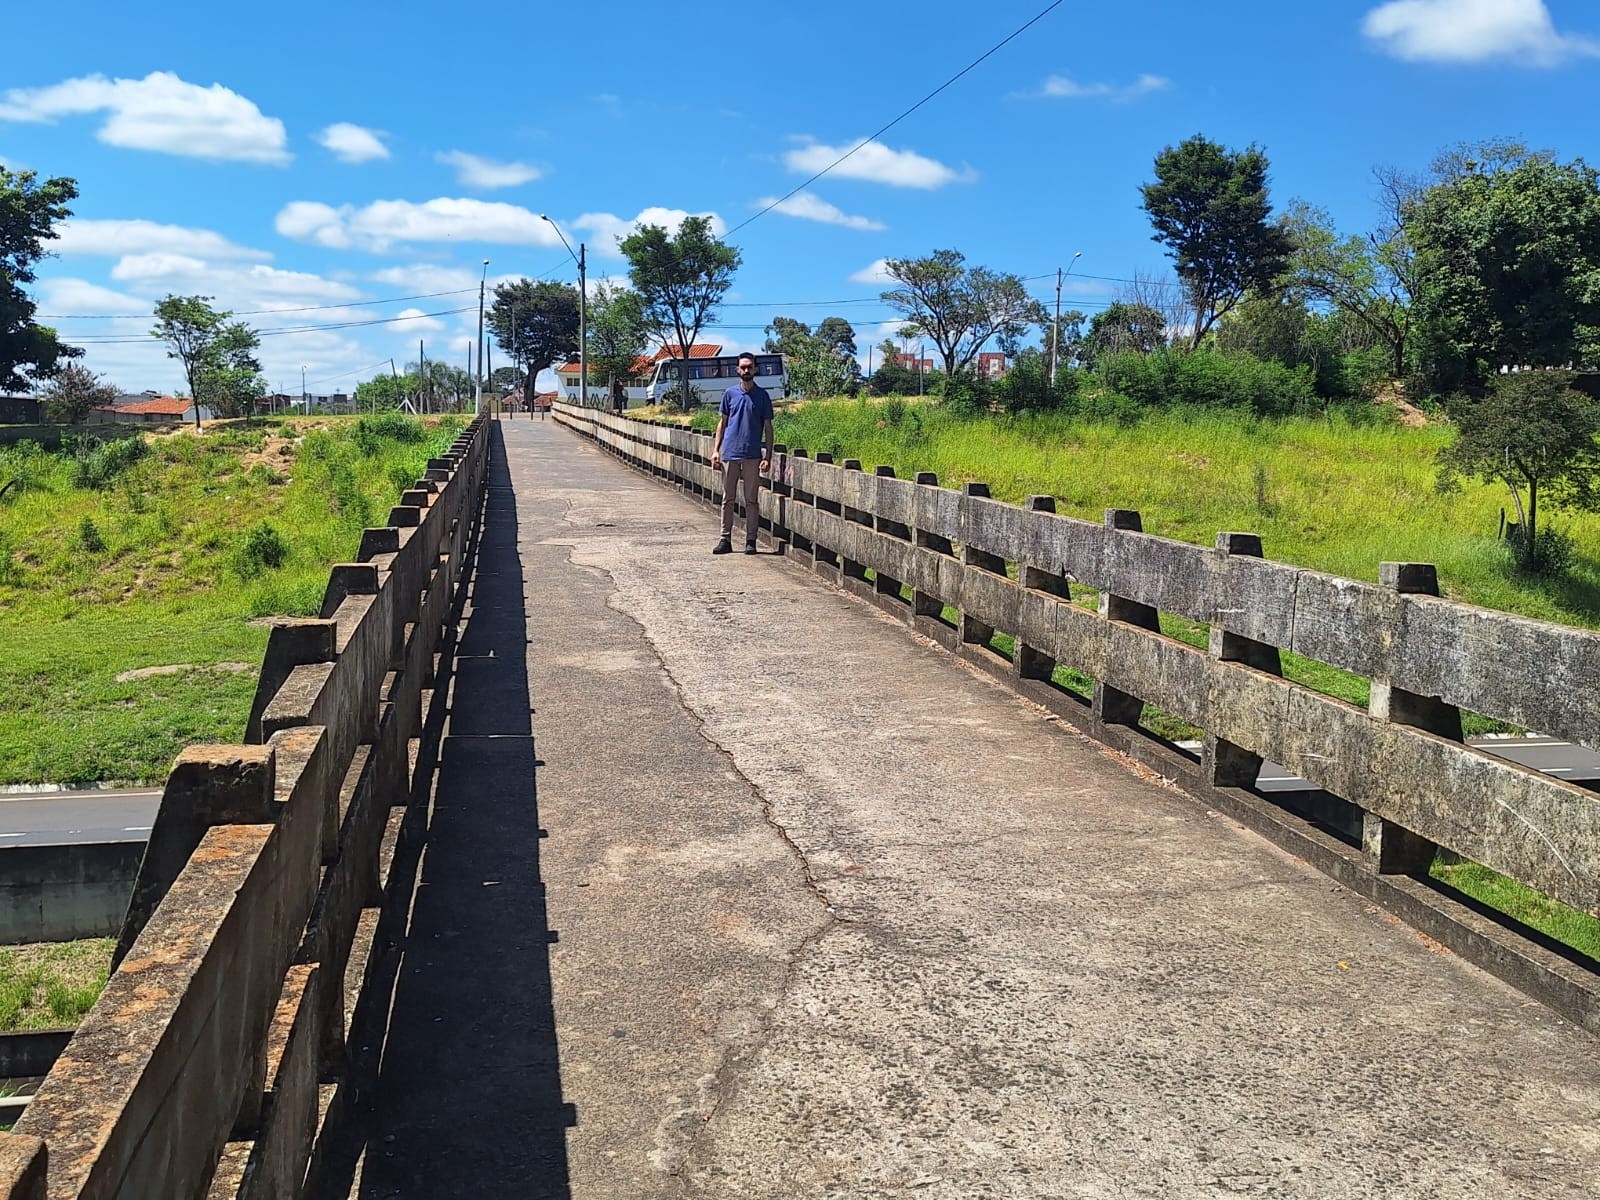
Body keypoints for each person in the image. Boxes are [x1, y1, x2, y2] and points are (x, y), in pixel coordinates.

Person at [709, 351, 774, 555]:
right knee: (728, 498)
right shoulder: (730, 394)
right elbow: (723, 423)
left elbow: (768, 428)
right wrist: (715, 451)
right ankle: (725, 539)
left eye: (749, 367)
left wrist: (768, 456)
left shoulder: (762, 396)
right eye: (742, 367)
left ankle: (751, 540)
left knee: (751, 500)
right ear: (737, 370)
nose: (746, 370)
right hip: (730, 453)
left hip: (752, 455)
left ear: (755, 369)